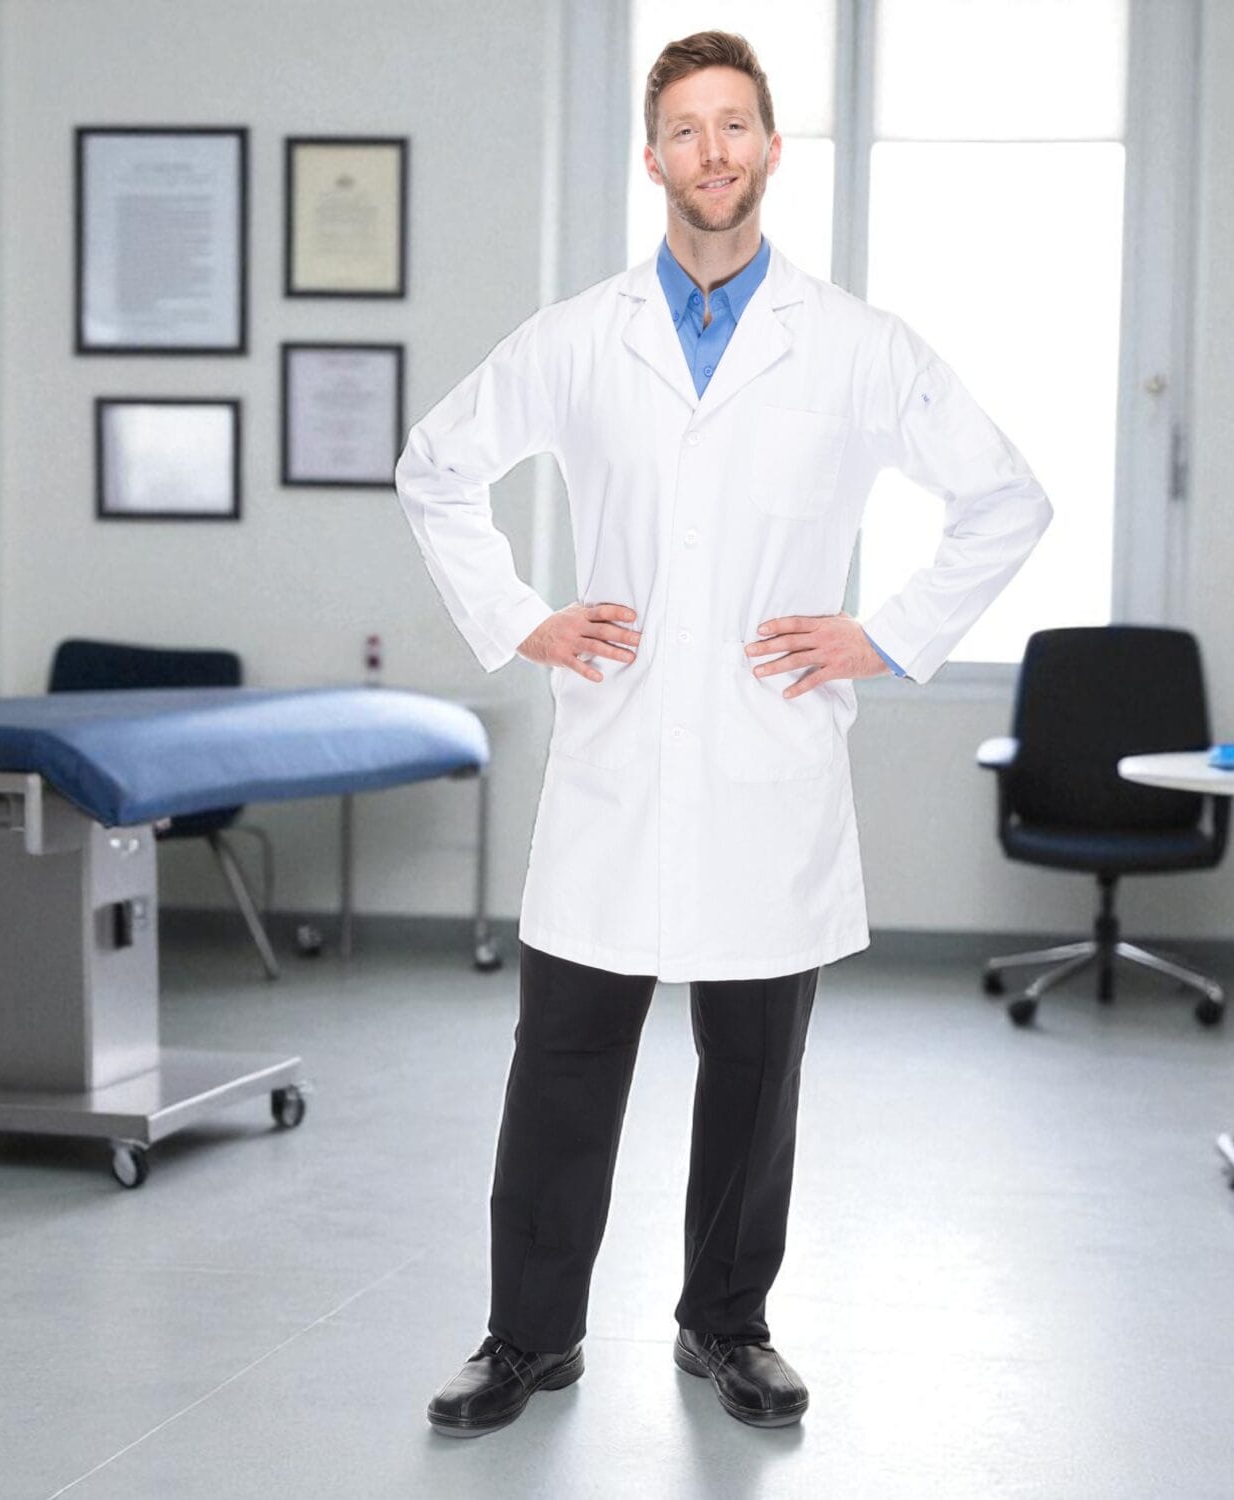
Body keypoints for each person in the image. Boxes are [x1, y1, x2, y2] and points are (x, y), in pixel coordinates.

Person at [396, 30, 1053, 1438]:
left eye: (735, 125)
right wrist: (524, 616)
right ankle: (528, 1338)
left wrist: (885, 634)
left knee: (756, 1069)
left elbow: (1007, 500)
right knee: (565, 1058)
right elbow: (436, 464)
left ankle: (726, 1325)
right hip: (620, 750)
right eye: (684, 130)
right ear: (654, 160)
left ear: (769, 148)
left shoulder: (859, 347)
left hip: (770, 755)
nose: (712, 152)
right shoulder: (582, 336)